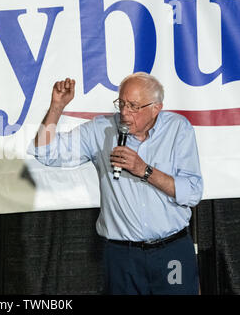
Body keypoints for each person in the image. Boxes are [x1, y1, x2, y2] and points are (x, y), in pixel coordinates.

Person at [28, 72, 203, 295]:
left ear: (156, 108)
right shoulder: (100, 130)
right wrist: (56, 107)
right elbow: (45, 153)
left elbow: (193, 193)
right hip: (123, 256)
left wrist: (144, 170)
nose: (124, 113)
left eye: (133, 106)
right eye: (121, 103)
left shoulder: (178, 129)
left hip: (171, 251)